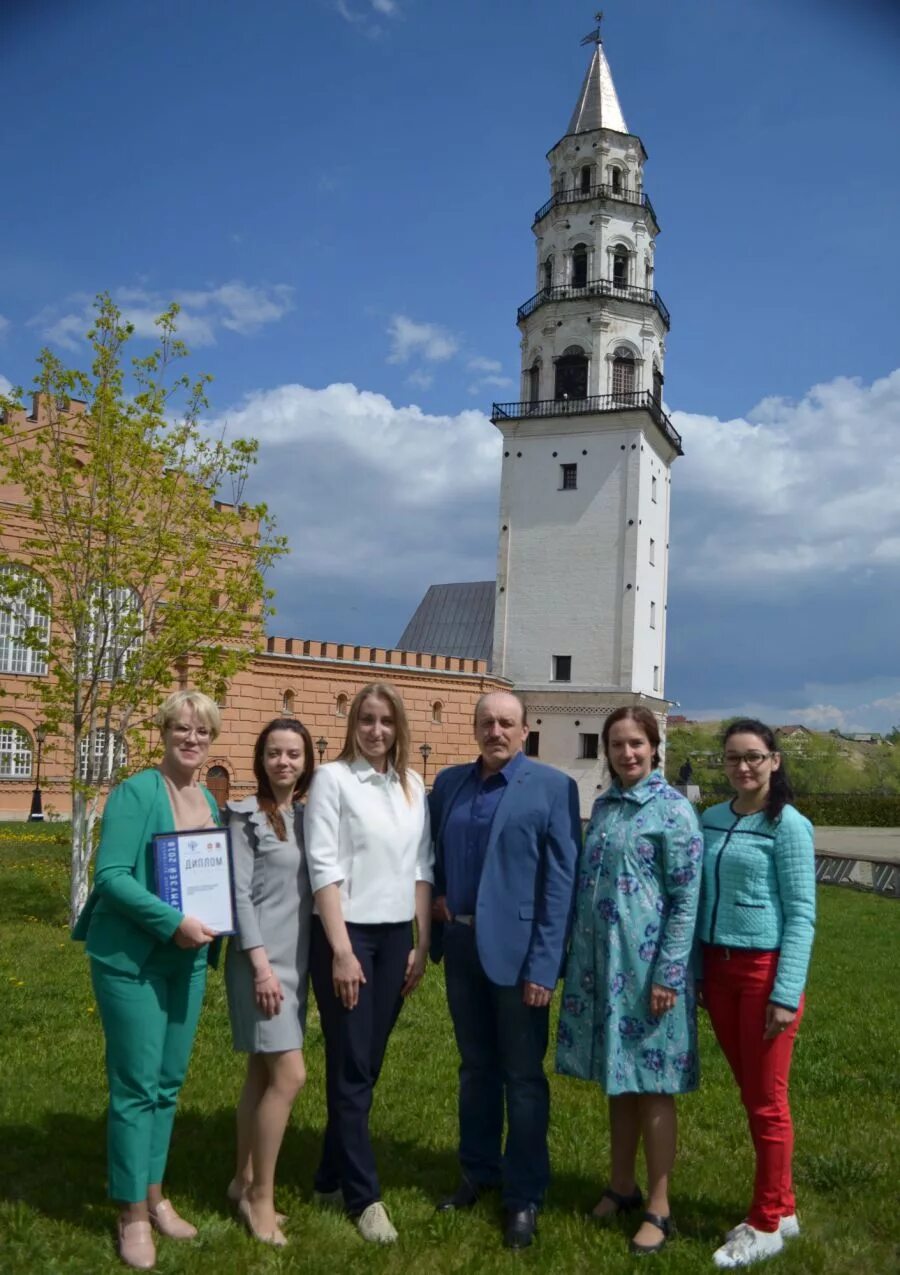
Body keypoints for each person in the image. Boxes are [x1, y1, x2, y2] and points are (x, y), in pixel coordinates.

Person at [72, 691, 222, 1270]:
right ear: (163, 732)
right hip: (131, 959)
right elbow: (110, 876)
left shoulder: (206, 797)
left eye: (202, 731)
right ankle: (131, 1212)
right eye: (181, 728)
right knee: (136, 1086)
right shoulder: (136, 793)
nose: (191, 739)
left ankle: (155, 1195)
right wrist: (172, 923)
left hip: (186, 961)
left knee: (167, 1084)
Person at [430, 690, 581, 1251]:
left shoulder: (553, 787)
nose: (496, 731)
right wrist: (439, 895)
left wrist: (546, 964)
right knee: (475, 1070)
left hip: (521, 958)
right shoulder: (450, 784)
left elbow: (561, 884)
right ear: (475, 728)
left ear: (524, 730)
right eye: (487, 722)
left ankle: (524, 1194)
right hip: (462, 946)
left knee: (522, 1079)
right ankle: (478, 1172)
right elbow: (433, 854)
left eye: (506, 723)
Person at [556, 705, 703, 1257]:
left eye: (636, 743)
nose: (627, 753)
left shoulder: (673, 811)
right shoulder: (606, 805)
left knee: (654, 1085)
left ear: (654, 747)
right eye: (617, 744)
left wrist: (668, 973)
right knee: (619, 1080)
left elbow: (686, 898)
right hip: (605, 969)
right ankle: (620, 1185)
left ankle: (659, 1206)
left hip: (649, 977)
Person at [304, 682, 432, 1244]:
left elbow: (422, 866)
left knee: (366, 1064)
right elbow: (322, 867)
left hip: (396, 935)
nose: (376, 731)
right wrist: (340, 950)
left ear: (398, 726)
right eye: (366, 720)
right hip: (347, 933)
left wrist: (421, 942)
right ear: (352, 724)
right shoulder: (332, 780)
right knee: (354, 1064)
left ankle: (328, 1176)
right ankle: (364, 1197)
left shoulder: (412, 784)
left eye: (385, 721)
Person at [697, 720, 815, 1270]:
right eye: (732, 758)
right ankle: (784, 1207)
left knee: (768, 1102)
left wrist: (786, 992)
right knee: (753, 1095)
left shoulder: (788, 825)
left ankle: (765, 1223)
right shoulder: (712, 818)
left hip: (764, 975)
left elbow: (802, 914)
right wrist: (698, 971)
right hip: (718, 971)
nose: (743, 767)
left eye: (753, 757)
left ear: (774, 761)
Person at [224, 717, 316, 1247]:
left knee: (261, 1076)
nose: (284, 762)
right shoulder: (245, 816)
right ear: (261, 759)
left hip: (295, 963)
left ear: (307, 762)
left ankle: (241, 1180)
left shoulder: (305, 817)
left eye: (294, 754)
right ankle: (262, 1199)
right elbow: (238, 896)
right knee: (290, 1076)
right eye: (275, 753)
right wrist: (260, 966)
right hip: (260, 962)